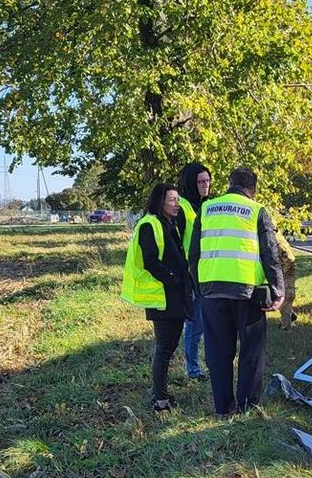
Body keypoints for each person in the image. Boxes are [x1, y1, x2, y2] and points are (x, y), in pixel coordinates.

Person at [188, 167, 284, 416]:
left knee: (218, 352)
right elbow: (270, 253)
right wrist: (278, 290)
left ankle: (222, 408)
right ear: (254, 188)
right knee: (251, 351)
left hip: (211, 290)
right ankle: (246, 408)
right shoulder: (256, 211)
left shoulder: (207, 209)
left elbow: (194, 253)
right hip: (247, 292)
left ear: (229, 183)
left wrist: (200, 286)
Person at [120, 183, 195, 411]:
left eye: (178, 200)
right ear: (160, 201)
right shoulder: (149, 224)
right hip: (162, 298)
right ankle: (160, 400)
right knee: (164, 348)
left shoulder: (169, 223)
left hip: (173, 296)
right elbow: (150, 261)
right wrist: (173, 279)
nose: (177, 204)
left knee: (170, 346)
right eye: (172, 200)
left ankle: (162, 394)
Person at [177, 162, 212, 379]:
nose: (205, 185)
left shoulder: (209, 204)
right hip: (190, 275)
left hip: (209, 272)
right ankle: (193, 370)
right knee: (194, 325)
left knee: (206, 323)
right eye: (200, 182)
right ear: (191, 183)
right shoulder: (182, 206)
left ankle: (205, 365)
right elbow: (177, 242)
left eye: (207, 181)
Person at [275, 226, 298, 329]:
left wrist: (281, 272)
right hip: (284, 269)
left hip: (287, 270)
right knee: (279, 296)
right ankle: (290, 315)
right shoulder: (277, 236)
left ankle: (286, 326)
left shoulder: (276, 240)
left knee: (284, 298)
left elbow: (288, 258)